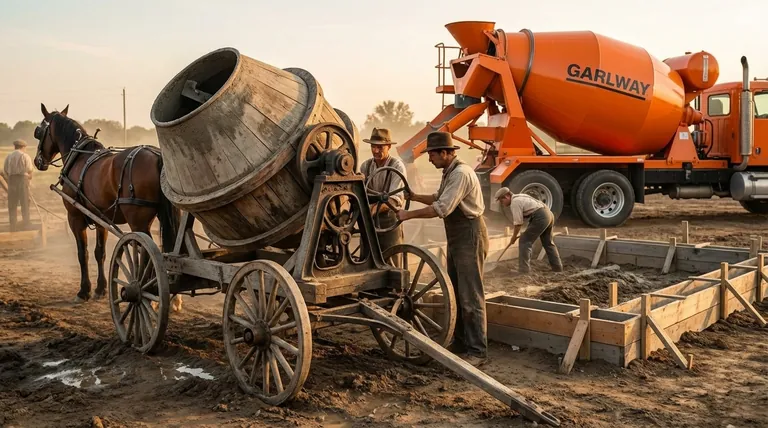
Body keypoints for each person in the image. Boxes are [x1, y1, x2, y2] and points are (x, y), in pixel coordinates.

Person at [396, 131, 489, 366]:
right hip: (458, 237)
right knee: (457, 291)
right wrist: (414, 196)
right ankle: (460, 342)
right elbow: (438, 197)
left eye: (432, 154)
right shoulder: (450, 171)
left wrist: (408, 214)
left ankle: (477, 351)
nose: (429, 159)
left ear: (446, 153)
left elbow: (442, 208)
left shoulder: (461, 174)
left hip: (469, 234)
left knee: (471, 294)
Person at [494, 187, 563, 274]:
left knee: (524, 240)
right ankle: (557, 268)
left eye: (501, 201)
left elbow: (518, 223)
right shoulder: (520, 196)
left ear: (507, 196)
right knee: (548, 242)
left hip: (541, 217)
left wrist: (514, 237)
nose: (502, 204)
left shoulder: (515, 203)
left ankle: (524, 270)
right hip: (548, 214)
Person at [361, 128, 407, 252]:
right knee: (367, 258)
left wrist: (372, 210)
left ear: (388, 147)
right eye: (373, 147)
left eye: (380, 148)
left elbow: (395, 199)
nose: (376, 151)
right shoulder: (366, 166)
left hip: (389, 221)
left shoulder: (397, 166)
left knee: (392, 259)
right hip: (370, 221)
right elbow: (360, 192)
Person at [3, 139, 34, 232]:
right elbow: (29, 169)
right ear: (23, 147)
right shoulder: (25, 156)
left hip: (12, 181)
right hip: (22, 180)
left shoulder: (9, 157)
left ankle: (13, 227)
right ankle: (26, 225)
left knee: (12, 205)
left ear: (15, 146)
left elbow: (5, 170)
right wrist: (29, 178)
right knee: (24, 203)